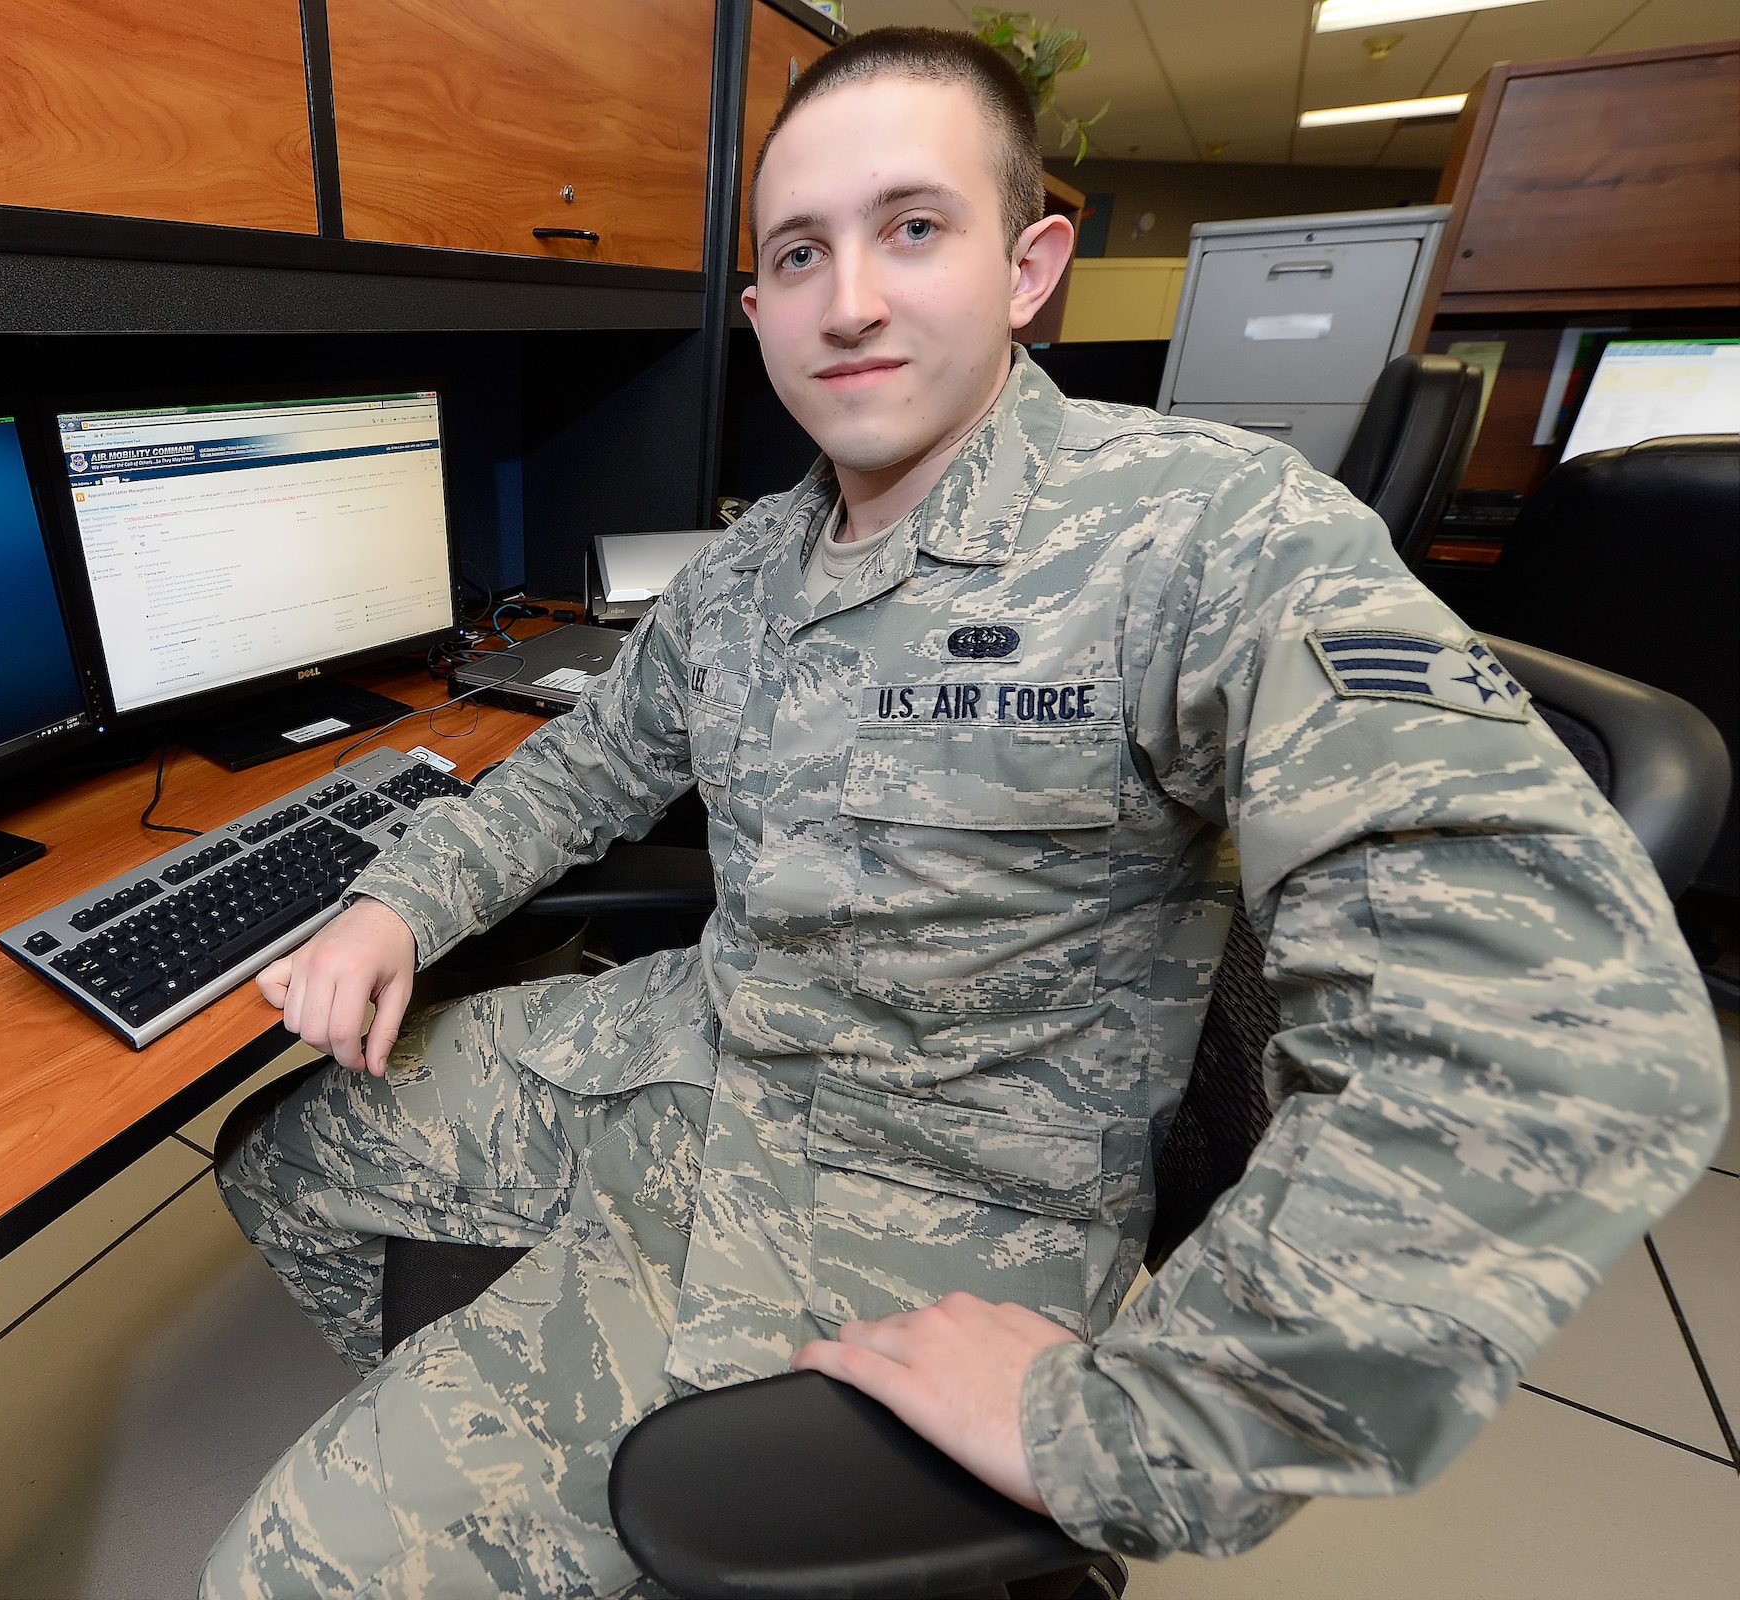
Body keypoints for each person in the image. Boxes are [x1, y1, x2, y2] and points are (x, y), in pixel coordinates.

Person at [202, 27, 1726, 1600]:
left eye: (913, 228)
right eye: (800, 254)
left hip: (941, 1188)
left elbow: (1558, 1027)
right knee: (282, 1159)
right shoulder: (741, 573)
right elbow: (584, 770)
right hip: (698, 1056)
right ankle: (545, 1486)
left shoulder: (1205, 530)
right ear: (756, 313)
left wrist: (1132, 1427)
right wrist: (401, 904)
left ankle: (583, 1496)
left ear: (1029, 265)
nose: (849, 299)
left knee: (272, 1582)